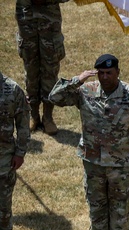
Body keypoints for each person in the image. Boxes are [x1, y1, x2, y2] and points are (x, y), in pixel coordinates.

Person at [49, 55, 129, 230]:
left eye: (109, 72)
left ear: (118, 72)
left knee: (121, 209)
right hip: (93, 163)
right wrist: (76, 81)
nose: (105, 77)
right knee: (97, 206)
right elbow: (54, 98)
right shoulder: (85, 91)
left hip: (121, 165)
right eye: (101, 73)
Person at [15, 0, 65, 135]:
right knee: (31, 72)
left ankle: (48, 117)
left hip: (50, 22)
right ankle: (33, 115)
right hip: (26, 20)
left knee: (50, 71)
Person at [0, 69, 31, 230]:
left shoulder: (12, 89)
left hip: (3, 160)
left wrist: (20, 152)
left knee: (3, 206)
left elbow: (23, 124)